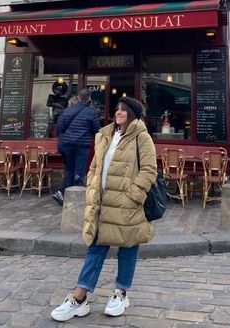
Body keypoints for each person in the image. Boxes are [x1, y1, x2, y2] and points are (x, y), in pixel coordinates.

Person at [51, 96, 157, 321]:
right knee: (95, 248)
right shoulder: (105, 134)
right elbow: (95, 166)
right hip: (102, 202)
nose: (118, 112)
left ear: (133, 113)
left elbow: (149, 169)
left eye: (124, 109)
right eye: (117, 109)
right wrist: (91, 186)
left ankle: (121, 293)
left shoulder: (141, 137)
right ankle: (79, 298)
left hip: (126, 204)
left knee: (128, 247)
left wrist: (134, 196)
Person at [52, 89, 100, 206]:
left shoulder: (67, 110)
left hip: (67, 144)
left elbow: (59, 128)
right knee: (79, 171)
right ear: (89, 99)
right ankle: (77, 200)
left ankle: (62, 193)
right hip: (82, 145)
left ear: (78, 97)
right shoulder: (91, 112)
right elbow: (96, 129)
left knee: (69, 170)